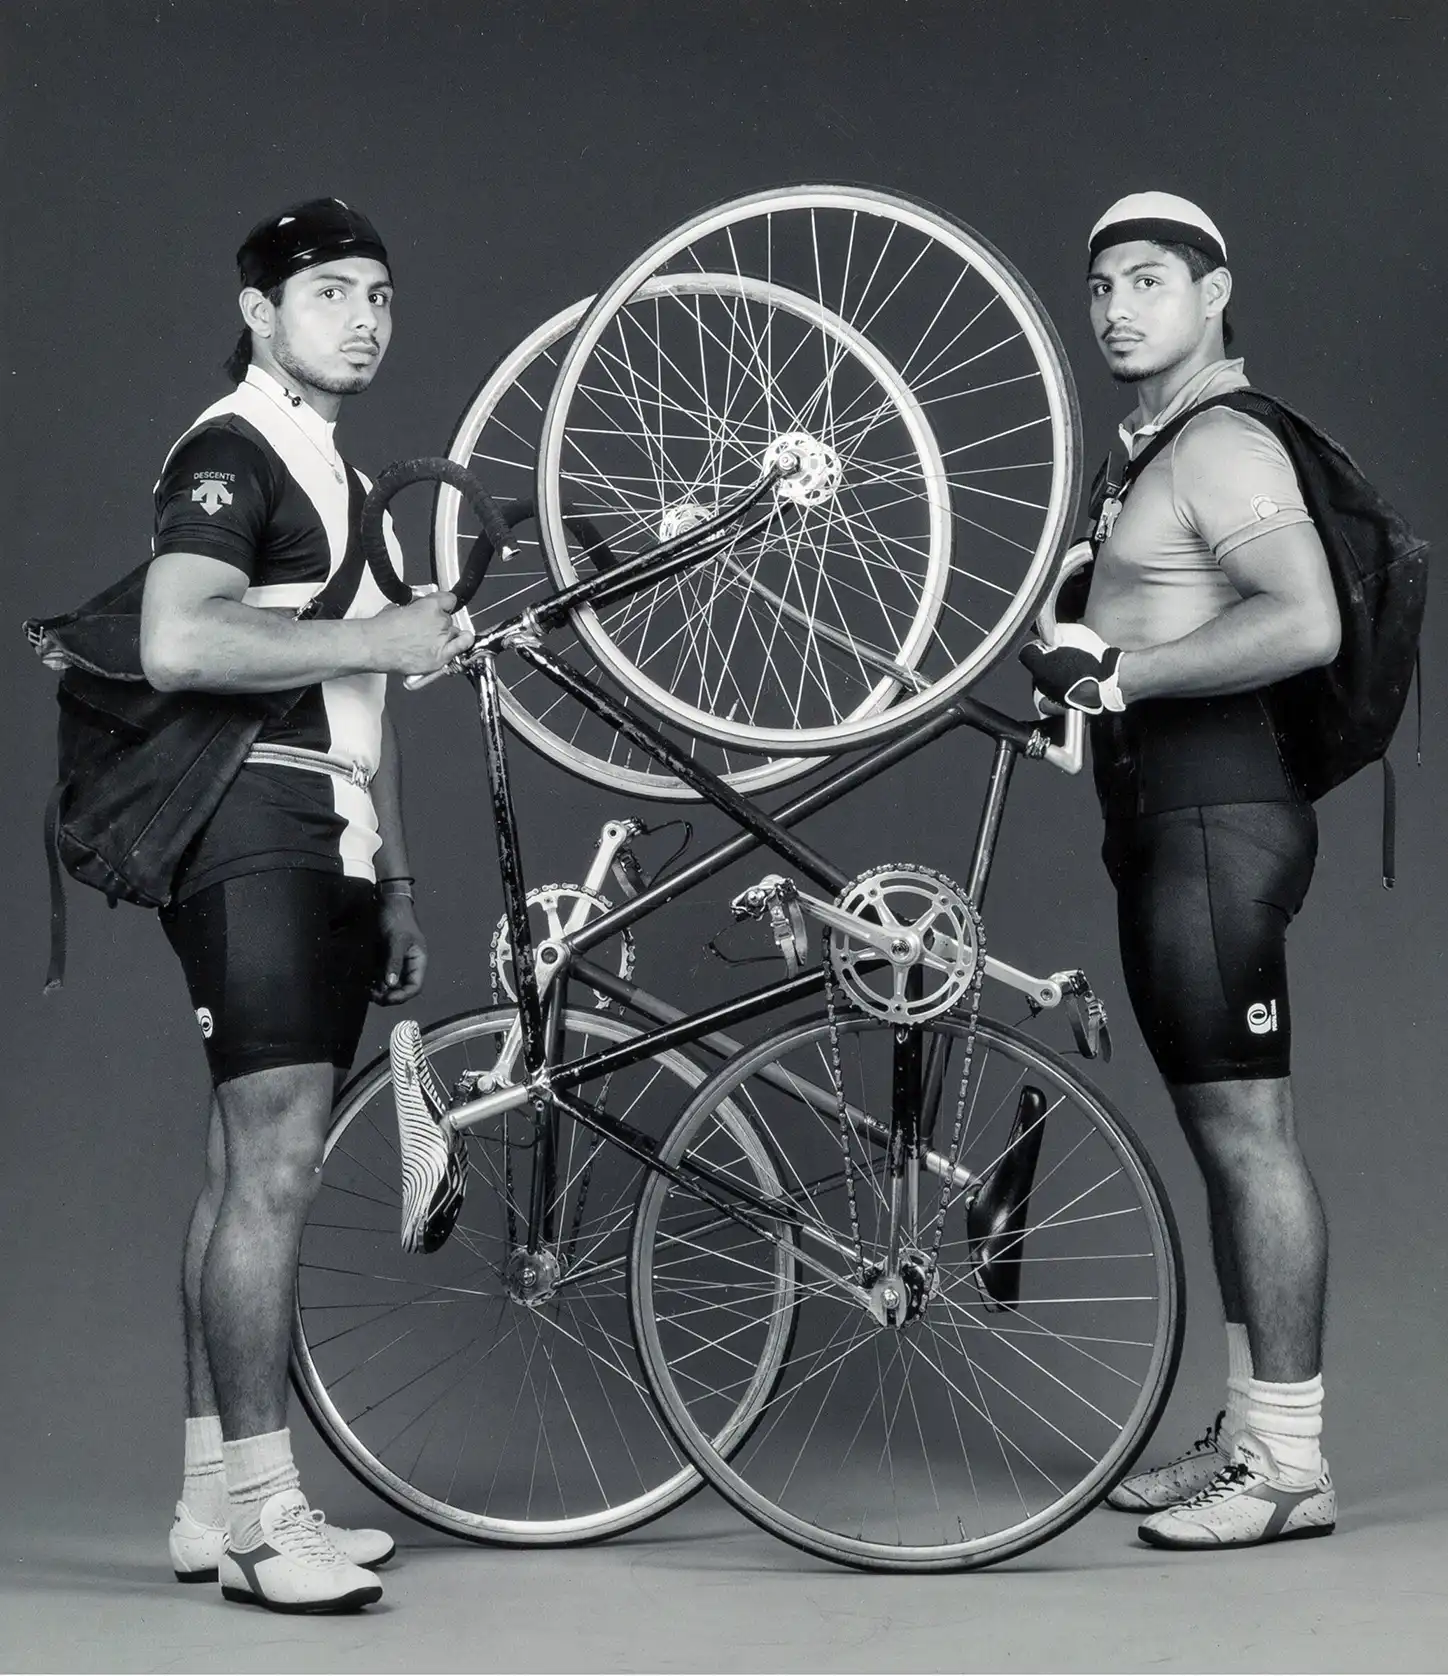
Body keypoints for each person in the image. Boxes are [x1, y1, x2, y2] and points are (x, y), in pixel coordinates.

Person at [139, 198, 474, 1611]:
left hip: (324, 820)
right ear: (264, 312)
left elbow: (360, 697)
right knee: (272, 1168)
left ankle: (214, 1500)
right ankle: (275, 1518)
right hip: (249, 820)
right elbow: (179, 639)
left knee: (244, 1168)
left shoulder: (329, 466)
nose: (366, 317)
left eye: (381, 294)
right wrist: (381, 635)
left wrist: (393, 875)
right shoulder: (232, 449)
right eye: (331, 292)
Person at [1021, 191, 1340, 1550]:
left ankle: (1290, 1465)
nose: (1115, 308)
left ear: (1216, 292)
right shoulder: (1142, 457)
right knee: (1222, 1144)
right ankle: (1250, 1428)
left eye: (1148, 280)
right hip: (1164, 821)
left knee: (1248, 1137)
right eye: (1100, 288)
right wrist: (1082, 670)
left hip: (1219, 818)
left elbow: (1309, 621)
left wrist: (1128, 667)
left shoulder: (1220, 445)